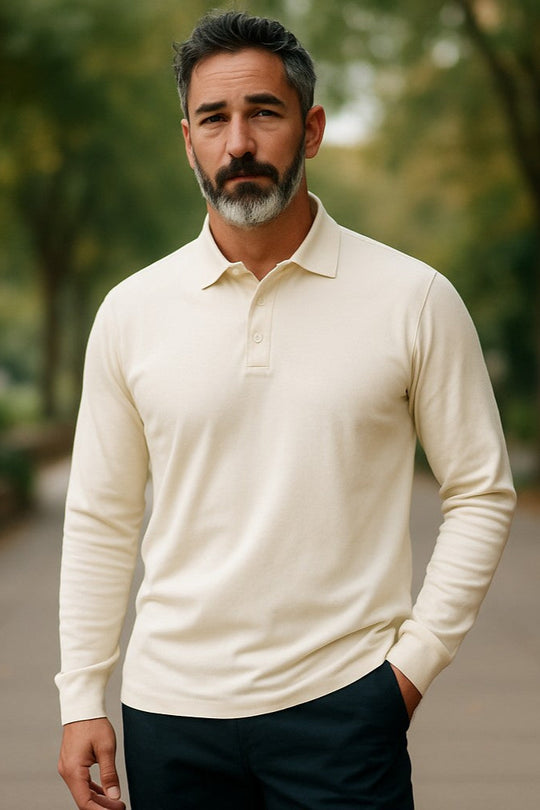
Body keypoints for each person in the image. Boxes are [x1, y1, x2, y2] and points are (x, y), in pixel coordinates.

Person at [56, 10, 516, 810]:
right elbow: (101, 515)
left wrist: (408, 672)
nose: (238, 143)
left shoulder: (414, 300)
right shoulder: (131, 312)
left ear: (310, 130)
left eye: (262, 113)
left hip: (345, 710)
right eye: (214, 119)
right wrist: (82, 697)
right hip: (170, 714)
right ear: (188, 140)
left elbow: (481, 490)